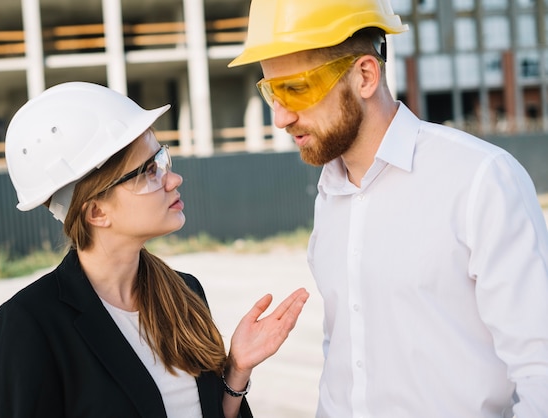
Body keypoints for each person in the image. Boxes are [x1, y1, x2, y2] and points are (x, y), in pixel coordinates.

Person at [229, 0, 548, 417]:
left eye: (297, 88)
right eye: (272, 91)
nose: (281, 117)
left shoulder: (480, 180)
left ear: (365, 75)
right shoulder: (330, 194)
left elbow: (539, 368)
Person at [0, 81, 310, 418]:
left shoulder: (184, 293)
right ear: (97, 211)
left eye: (161, 159)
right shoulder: (29, 326)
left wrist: (237, 370)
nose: (173, 179)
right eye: (149, 171)